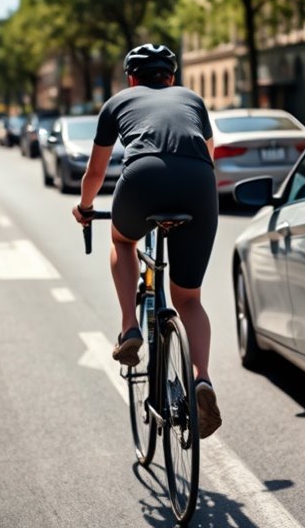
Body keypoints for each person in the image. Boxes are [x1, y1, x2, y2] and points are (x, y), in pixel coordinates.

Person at [71, 43, 222, 439]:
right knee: (189, 299)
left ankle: (128, 329)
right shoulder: (193, 99)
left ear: (131, 78)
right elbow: (209, 154)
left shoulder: (117, 102)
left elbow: (95, 171)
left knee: (122, 241)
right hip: (198, 186)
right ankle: (201, 379)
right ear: (171, 78)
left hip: (144, 178)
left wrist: (85, 207)